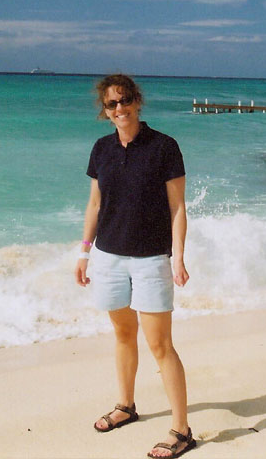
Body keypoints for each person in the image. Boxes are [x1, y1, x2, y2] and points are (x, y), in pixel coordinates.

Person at [75, 74, 196, 458]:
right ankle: (126, 406)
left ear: (137, 101)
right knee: (123, 334)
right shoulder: (101, 149)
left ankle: (182, 430)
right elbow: (95, 204)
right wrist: (84, 252)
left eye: (125, 100)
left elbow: (177, 207)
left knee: (160, 345)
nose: (120, 108)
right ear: (104, 110)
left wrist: (178, 256)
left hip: (151, 259)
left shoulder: (164, 147)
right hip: (109, 257)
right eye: (112, 104)